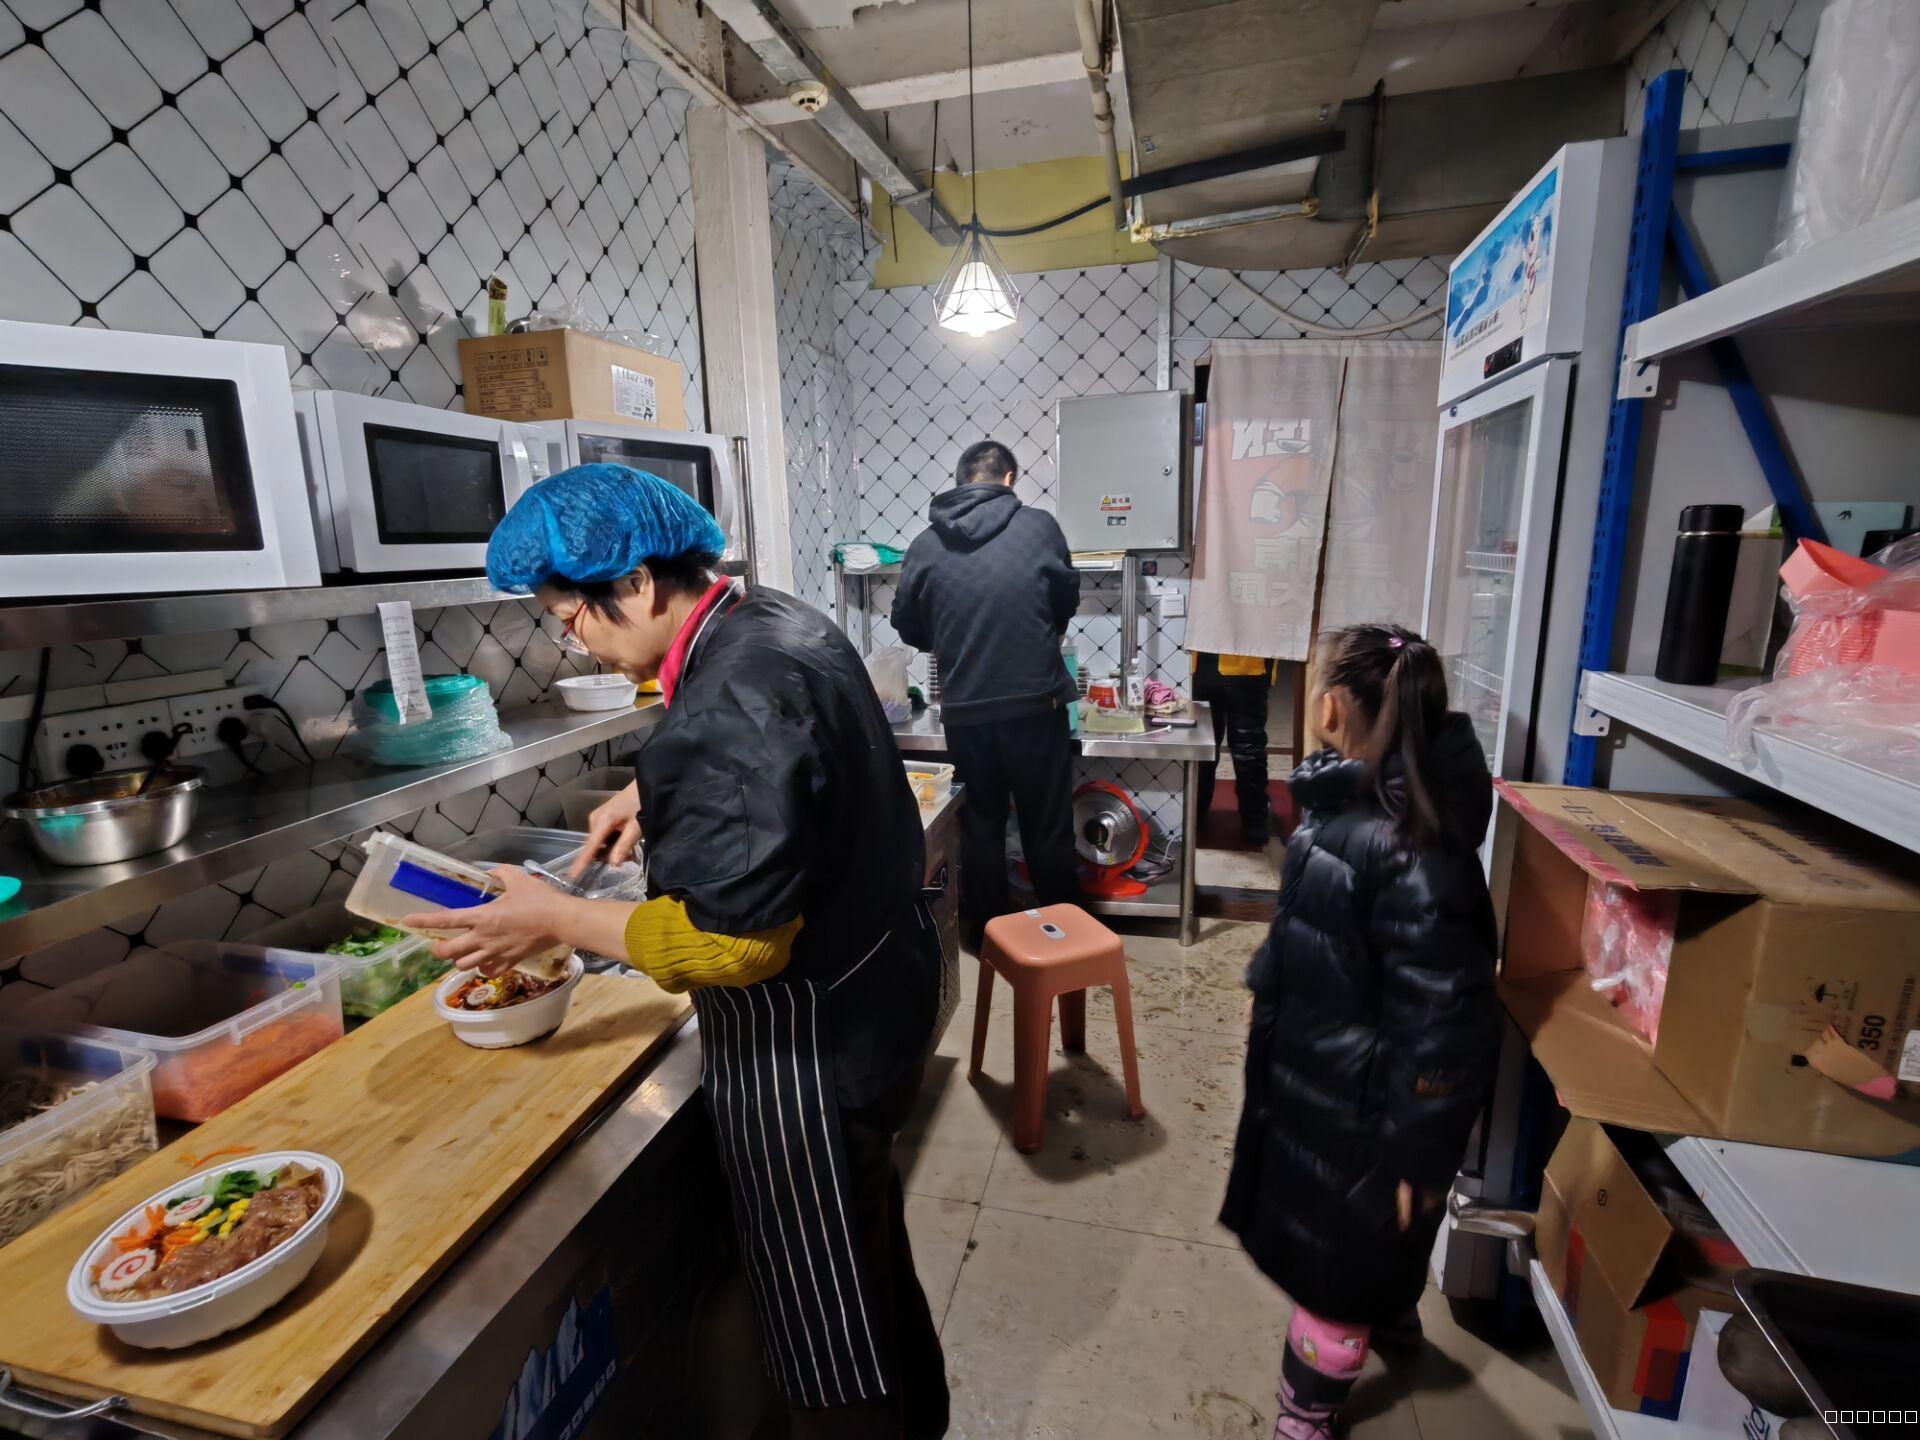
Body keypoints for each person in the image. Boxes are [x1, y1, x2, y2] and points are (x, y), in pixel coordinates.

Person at [404, 464, 948, 1439]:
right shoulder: (767, 619)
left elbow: (735, 947)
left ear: (639, 582)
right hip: (875, 993)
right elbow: (786, 765)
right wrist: (651, 793)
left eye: (571, 614)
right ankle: (919, 1419)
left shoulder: (726, 698)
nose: (572, 635)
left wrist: (555, 917)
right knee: (866, 1258)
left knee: (826, 1317)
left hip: (805, 1059)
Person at [1220, 624, 1500, 1440]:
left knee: (1335, 1275)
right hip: (1325, 1075)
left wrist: (1420, 1147)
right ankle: (1385, 1306)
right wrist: (1272, 980)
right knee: (1358, 1241)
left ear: (1332, 709)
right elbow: (1318, 926)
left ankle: (1307, 1414)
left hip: (1363, 1109)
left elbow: (1444, 1015)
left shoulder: (1408, 841)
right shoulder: (1352, 805)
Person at [891, 440, 1082, 931]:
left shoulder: (925, 544)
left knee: (981, 825)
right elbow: (1065, 600)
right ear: (1010, 478)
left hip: (967, 713)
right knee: (1048, 829)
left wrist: (951, 640)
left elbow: (906, 624)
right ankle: (1064, 934)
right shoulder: (1039, 527)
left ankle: (985, 934)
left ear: (960, 481)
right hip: (1037, 706)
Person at [1192, 651, 1275, 845]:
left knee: (1203, 743)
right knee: (1248, 745)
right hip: (1248, 662)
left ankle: (1195, 813)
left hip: (1204, 663)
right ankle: (1254, 820)